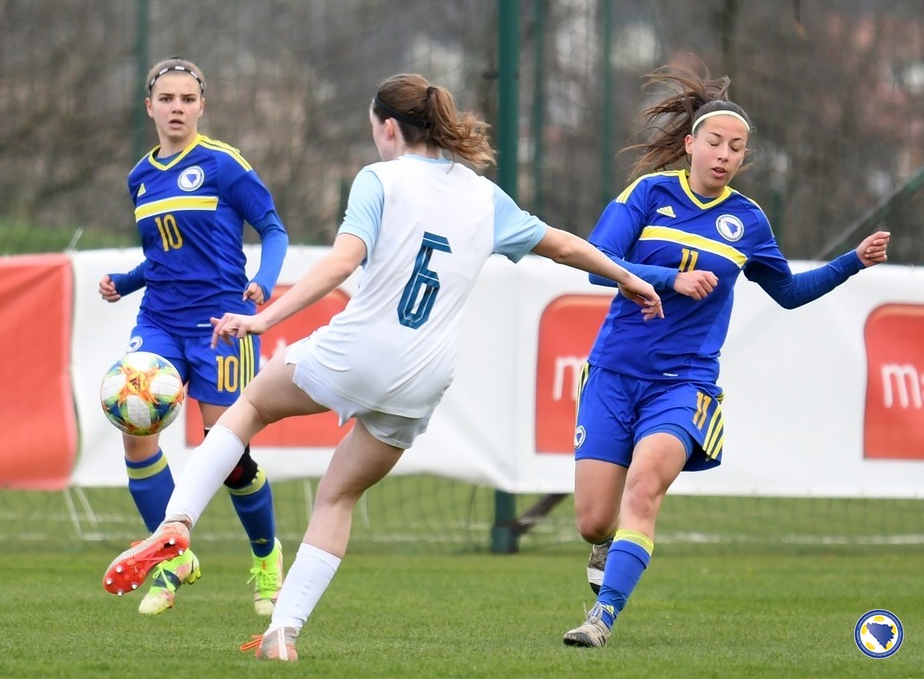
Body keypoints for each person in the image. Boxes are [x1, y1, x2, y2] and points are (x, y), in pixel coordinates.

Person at [102, 72, 662, 660]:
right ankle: (282, 634)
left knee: (247, 411)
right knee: (337, 498)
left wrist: (265, 319)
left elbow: (343, 262)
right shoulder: (483, 195)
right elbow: (564, 245)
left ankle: (178, 521)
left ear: (388, 127)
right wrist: (628, 278)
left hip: (358, 350)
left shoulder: (380, 179)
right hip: (423, 378)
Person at [563, 64, 891, 648]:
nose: (724, 155)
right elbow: (596, 264)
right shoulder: (649, 193)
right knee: (593, 519)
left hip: (683, 384)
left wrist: (853, 262)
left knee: (645, 485)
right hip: (613, 372)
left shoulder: (749, 221)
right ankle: (603, 544)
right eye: (715, 142)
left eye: (736, 148)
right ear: (691, 144)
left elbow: (788, 292)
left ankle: (601, 618)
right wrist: (669, 279)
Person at [98, 57, 289, 617]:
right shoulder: (140, 175)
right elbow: (165, 255)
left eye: (186, 99)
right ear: (149, 107)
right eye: (166, 99)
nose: (176, 108)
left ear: (202, 106)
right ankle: (172, 559)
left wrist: (263, 282)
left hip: (221, 326)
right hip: (159, 319)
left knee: (227, 456)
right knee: (135, 430)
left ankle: (266, 556)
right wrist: (126, 281)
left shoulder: (224, 164)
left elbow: (273, 227)